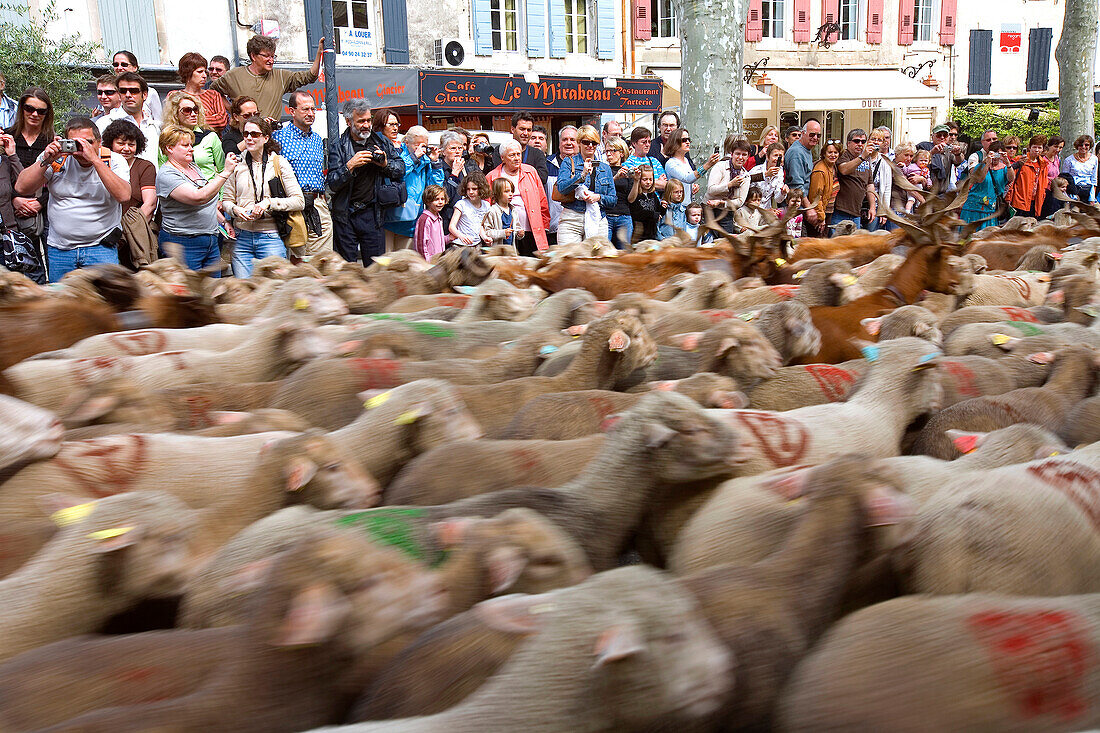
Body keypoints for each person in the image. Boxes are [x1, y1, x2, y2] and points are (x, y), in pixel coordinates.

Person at [15, 116, 130, 281]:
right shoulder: (59, 159)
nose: (82, 148)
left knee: (103, 303)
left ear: (100, 142)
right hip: (60, 249)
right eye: (76, 143)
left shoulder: (113, 160)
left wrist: (95, 160)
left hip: (100, 247)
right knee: (63, 303)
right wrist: (46, 160)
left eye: (88, 142)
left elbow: (124, 195)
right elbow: (21, 187)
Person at [219, 117, 303, 276]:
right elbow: (226, 202)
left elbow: (299, 201)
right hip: (242, 237)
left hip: (270, 236)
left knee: (273, 290)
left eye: (254, 134)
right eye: (245, 134)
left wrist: (268, 203)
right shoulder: (236, 163)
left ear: (266, 138)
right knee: (244, 292)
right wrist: (236, 210)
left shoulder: (279, 163)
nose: (249, 138)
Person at [326, 98, 405, 264]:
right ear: (348, 121)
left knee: (375, 269)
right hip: (345, 215)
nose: (366, 125)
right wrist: (350, 166)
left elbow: (400, 169)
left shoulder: (381, 141)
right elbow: (332, 183)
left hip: (372, 214)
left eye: (368, 120)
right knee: (346, 270)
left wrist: (384, 164)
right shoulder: (338, 146)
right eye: (361, 121)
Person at [157, 127, 237, 271]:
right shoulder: (167, 174)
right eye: (185, 145)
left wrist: (223, 222)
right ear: (169, 148)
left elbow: (208, 201)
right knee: (190, 291)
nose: (191, 149)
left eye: (191, 145)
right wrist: (225, 172)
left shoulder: (193, 167)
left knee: (212, 290)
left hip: (210, 240)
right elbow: (199, 197)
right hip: (184, 242)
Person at [211, 35, 324, 122]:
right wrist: (232, 110)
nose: (271, 60)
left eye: (273, 56)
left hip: (271, 138)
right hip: (243, 138)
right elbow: (213, 91)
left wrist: (319, 52)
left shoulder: (281, 76)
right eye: (266, 56)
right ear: (253, 56)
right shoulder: (234, 75)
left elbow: (310, 76)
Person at [273, 90, 332, 254]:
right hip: (294, 205)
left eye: (313, 109)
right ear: (291, 111)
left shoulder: (318, 139)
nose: (311, 113)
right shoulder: (278, 137)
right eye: (305, 109)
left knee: (323, 261)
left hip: (318, 203)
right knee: (298, 260)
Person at [5, 87, 54, 245]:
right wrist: (14, 199)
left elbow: (61, 179)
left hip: (46, 210)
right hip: (10, 211)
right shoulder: (8, 138)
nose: (34, 114)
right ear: (21, 109)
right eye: (29, 109)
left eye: (41, 111)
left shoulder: (53, 142)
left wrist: (41, 201)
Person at [554, 125, 617, 246]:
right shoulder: (569, 162)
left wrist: (598, 197)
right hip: (572, 218)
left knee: (596, 261)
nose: (590, 146)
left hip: (598, 219)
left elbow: (613, 200)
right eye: (586, 142)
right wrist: (582, 175)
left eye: (594, 143)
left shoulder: (605, 168)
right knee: (569, 260)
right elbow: (562, 188)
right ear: (579, 143)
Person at [384, 124, 440, 251]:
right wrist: (413, 158)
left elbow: (434, 188)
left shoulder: (425, 162)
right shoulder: (397, 155)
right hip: (391, 217)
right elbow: (397, 174)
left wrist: (435, 163)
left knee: (404, 262)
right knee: (385, 261)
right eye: (417, 145)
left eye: (424, 145)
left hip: (412, 218)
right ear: (407, 142)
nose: (422, 149)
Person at [488, 139, 550, 254]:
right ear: (502, 158)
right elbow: (487, 206)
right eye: (512, 155)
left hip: (532, 229)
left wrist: (545, 224)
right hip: (505, 232)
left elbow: (542, 200)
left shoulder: (531, 171)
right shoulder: (492, 176)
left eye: (518, 154)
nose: (517, 158)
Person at [0, 129, 44, 281]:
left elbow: (25, 185)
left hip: (7, 235)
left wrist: (12, 155)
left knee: (12, 285)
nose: (1, 133)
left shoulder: (4, 162)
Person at [158, 92, 225, 180]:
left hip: (210, 188)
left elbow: (222, 170)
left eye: (195, 109)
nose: (193, 114)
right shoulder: (168, 138)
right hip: (179, 189)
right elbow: (162, 170)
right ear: (175, 113)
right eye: (187, 110)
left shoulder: (210, 136)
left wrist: (220, 193)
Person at [98, 73, 160, 165]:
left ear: (145, 95)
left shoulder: (155, 126)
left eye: (134, 91)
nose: (128, 95)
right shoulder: (104, 123)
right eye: (123, 91)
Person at [103, 119, 157, 221]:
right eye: (121, 143)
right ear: (111, 144)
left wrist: (131, 227)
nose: (126, 149)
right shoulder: (103, 165)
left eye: (131, 145)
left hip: (133, 227)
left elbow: (150, 204)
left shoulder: (145, 167)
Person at [961, 140, 1013, 231]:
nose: (996, 157)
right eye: (994, 153)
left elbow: (1011, 179)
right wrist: (987, 162)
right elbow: (980, 179)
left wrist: (1008, 162)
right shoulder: (981, 166)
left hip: (990, 211)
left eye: (999, 154)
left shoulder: (1004, 168)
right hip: (973, 209)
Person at [171, 52, 228, 132]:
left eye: (205, 71)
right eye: (200, 72)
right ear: (188, 73)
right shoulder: (175, 95)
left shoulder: (213, 95)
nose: (205, 75)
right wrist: (211, 118)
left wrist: (188, 120)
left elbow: (221, 122)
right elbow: (173, 122)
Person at [833, 128, 876, 230]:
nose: (860, 144)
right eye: (856, 141)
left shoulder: (867, 158)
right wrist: (862, 157)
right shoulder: (844, 155)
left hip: (857, 212)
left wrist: (872, 207)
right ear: (848, 143)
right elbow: (844, 169)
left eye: (863, 142)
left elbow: (869, 184)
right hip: (841, 211)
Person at [705, 135, 751, 230]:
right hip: (709, 209)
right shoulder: (720, 166)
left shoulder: (746, 176)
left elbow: (740, 201)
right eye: (737, 154)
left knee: (726, 241)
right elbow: (711, 190)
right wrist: (730, 184)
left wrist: (721, 203)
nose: (740, 157)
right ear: (732, 153)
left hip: (726, 211)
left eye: (744, 155)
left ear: (748, 156)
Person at [491, 112, 548, 185]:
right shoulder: (500, 150)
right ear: (512, 129)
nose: (525, 133)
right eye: (522, 129)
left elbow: (543, 178)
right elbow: (499, 175)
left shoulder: (537, 154)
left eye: (529, 130)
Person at [545, 125, 578, 248]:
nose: (568, 143)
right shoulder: (546, 164)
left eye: (572, 140)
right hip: (552, 227)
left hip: (577, 227)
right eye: (564, 140)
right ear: (559, 144)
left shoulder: (586, 165)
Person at [663, 127, 720, 198]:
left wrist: (692, 187)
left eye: (688, 139)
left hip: (687, 204)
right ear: (675, 142)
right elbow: (687, 178)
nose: (688, 142)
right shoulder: (671, 163)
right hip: (677, 207)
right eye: (684, 140)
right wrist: (708, 164)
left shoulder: (686, 160)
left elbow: (687, 180)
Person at [433, 129, 468, 240]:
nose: (457, 151)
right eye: (453, 148)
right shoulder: (438, 168)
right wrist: (454, 174)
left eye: (460, 148)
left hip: (463, 220)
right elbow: (444, 196)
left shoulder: (465, 168)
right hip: (445, 219)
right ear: (443, 151)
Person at [111, 50, 163, 122]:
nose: (119, 68)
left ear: (135, 67)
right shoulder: (108, 92)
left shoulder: (150, 92)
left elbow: (159, 121)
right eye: (116, 65)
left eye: (124, 64)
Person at [1006, 135, 1049, 218]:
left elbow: (1044, 184)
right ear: (1029, 147)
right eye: (1034, 147)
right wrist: (1008, 198)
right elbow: (1011, 181)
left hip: (1036, 202)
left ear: (1043, 149)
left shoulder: (1044, 164)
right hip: (1019, 201)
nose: (1037, 150)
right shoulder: (1020, 160)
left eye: (1039, 148)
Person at [807, 140, 841, 236]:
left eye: (836, 152)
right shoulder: (820, 170)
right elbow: (816, 197)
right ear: (824, 154)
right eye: (830, 152)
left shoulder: (833, 167)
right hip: (820, 215)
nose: (833, 155)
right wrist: (821, 217)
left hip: (828, 212)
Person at [604, 138, 633, 249]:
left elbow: (631, 199)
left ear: (621, 153)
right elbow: (601, 190)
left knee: (624, 254)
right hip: (606, 216)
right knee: (604, 253)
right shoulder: (604, 170)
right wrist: (615, 178)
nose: (609, 154)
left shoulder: (627, 171)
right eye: (607, 151)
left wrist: (636, 181)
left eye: (613, 150)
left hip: (624, 216)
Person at [449, 170, 491, 246]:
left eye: (474, 189)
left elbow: (479, 225)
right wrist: (461, 236)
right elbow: (452, 226)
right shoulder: (461, 204)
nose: (471, 192)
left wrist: (485, 237)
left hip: (476, 244)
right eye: (468, 189)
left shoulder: (486, 205)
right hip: (460, 245)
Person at [864, 128, 892, 231]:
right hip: (858, 205)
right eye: (873, 139)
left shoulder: (885, 162)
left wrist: (884, 211)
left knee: (871, 237)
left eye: (879, 140)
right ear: (868, 141)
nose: (876, 142)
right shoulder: (861, 157)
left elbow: (887, 189)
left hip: (875, 206)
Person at [622, 126, 667, 191]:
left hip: (656, 199)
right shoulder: (628, 163)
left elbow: (665, 184)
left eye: (649, 142)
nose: (647, 145)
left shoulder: (654, 161)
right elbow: (636, 184)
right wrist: (657, 181)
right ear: (634, 144)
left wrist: (644, 181)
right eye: (644, 142)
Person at [747, 142, 787, 213]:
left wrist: (783, 192)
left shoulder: (780, 172)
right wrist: (765, 175)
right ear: (767, 157)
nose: (778, 159)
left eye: (780, 156)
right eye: (775, 155)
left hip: (767, 212)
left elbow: (778, 199)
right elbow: (747, 194)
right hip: (751, 211)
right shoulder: (756, 170)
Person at [481, 177, 519, 248]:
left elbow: (516, 229)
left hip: (510, 250)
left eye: (512, 191)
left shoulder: (513, 210)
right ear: (498, 193)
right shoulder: (492, 211)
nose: (510, 194)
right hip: (497, 251)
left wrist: (519, 233)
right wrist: (503, 233)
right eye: (506, 191)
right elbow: (487, 232)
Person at [628, 165, 661, 242]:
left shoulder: (653, 195)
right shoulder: (636, 194)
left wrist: (663, 206)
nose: (648, 182)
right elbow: (637, 213)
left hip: (652, 234)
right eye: (645, 179)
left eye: (650, 179)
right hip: (639, 235)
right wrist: (653, 215)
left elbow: (658, 211)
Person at [413, 184, 447, 260]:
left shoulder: (438, 218)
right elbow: (420, 244)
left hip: (438, 261)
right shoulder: (425, 219)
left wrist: (449, 238)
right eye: (436, 199)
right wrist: (426, 263)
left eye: (442, 199)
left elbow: (438, 240)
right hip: (428, 264)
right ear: (428, 201)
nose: (440, 202)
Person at [784, 119, 818, 193]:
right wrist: (807, 204)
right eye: (812, 134)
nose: (815, 137)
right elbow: (797, 186)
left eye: (818, 135)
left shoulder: (807, 149)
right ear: (803, 133)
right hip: (797, 201)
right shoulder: (796, 152)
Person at [1062, 135, 1097, 202]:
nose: (1083, 147)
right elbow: (1065, 179)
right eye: (1081, 145)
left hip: (1088, 191)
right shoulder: (1069, 160)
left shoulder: (1094, 159)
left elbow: (1094, 179)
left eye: (1086, 145)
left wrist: (1092, 197)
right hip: (1073, 191)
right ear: (1077, 146)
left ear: (1090, 146)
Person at [1040, 136, 1067, 218]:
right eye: (1055, 146)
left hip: (1056, 191)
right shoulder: (1043, 160)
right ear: (1049, 146)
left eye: (1060, 147)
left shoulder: (1056, 159)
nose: (1057, 149)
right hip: (1046, 192)